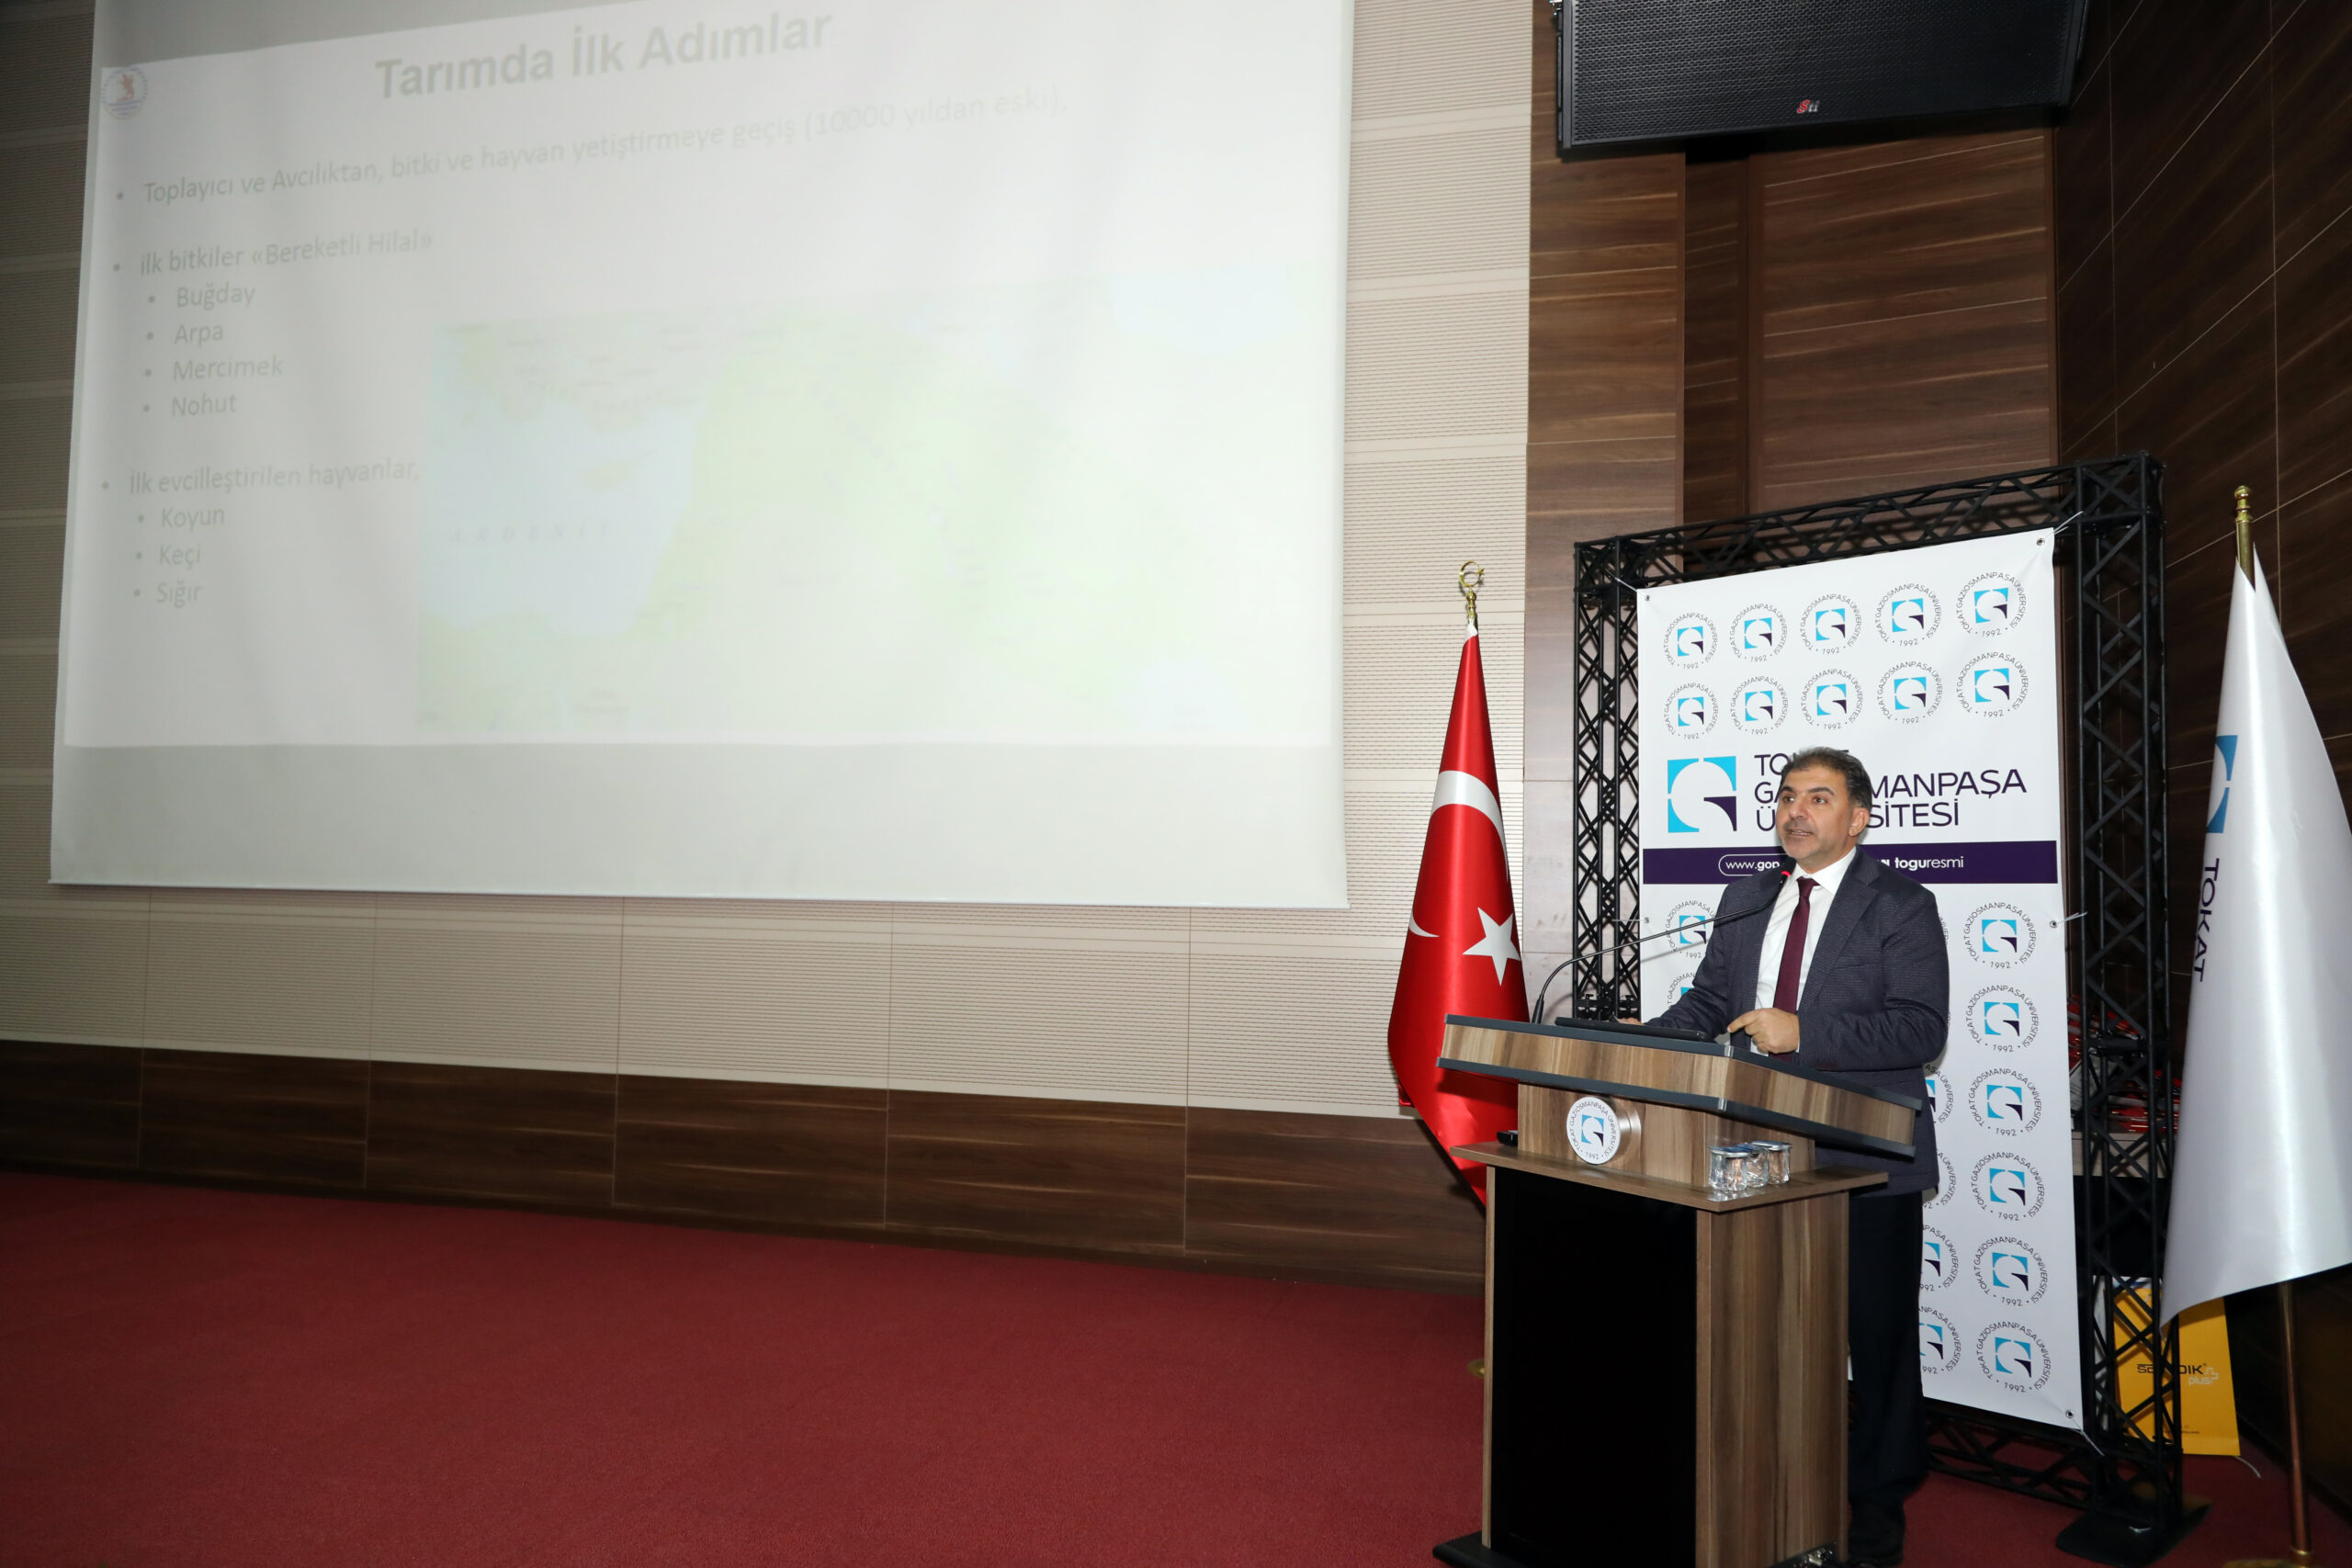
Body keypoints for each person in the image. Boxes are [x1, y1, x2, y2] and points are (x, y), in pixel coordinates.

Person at [1645, 746, 1947, 1568]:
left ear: (1859, 818)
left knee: (1877, 1342)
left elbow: (1921, 1026)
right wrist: (1639, 1041)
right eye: (1785, 796)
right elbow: (1710, 1002)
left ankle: (1878, 1505)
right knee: (1763, 1332)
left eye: (1818, 797)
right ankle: (1769, 1487)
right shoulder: (1747, 898)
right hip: (1757, 1149)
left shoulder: (1901, 903)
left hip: (1864, 1157)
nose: (1795, 811)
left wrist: (1803, 1032)